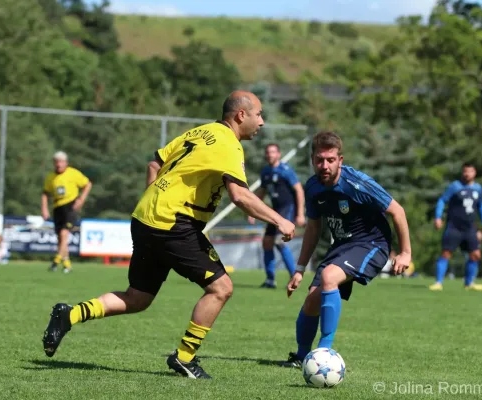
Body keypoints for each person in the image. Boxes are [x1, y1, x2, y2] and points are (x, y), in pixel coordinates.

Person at [42, 91, 296, 379]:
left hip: (145, 217)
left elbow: (154, 164)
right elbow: (239, 195)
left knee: (137, 297)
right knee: (221, 288)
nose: (261, 122)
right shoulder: (229, 145)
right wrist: (280, 221)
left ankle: (69, 314)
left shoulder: (201, 132)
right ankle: (185, 358)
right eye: (259, 114)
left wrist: (156, 196)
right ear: (241, 115)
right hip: (174, 223)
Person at [281, 131, 411, 367]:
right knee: (312, 300)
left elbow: (397, 211)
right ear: (312, 160)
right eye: (320, 160)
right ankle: (301, 357)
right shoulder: (312, 188)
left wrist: (405, 253)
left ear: (340, 160)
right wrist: (299, 268)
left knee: (330, 276)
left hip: (372, 243)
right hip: (342, 245)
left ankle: (324, 354)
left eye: (330, 160)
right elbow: (313, 228)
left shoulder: (357, 184)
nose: (325, 165)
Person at [248, 144, 305, 288]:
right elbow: (262, 191)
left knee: (279, 241)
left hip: (287, 209)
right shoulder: (266, 172)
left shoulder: (285, 170)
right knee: (267, 242)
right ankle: (270, 280)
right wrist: (252, 211)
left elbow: (299, 190)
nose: (270, 154)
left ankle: (294, 276)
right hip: (275, 211)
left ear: (278, 154)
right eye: (268, 152)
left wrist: (300, 214)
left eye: (273, 152)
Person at [429, 162, 482, 291]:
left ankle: (469, 283)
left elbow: (481, 206)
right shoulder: (455, 186)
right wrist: (438, 217)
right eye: (465, 171)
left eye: (470, 171)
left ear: (475, 173)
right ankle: (438, 282)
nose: (467, 174)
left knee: (476, 255)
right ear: (462, 172)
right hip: (454, 227)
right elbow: (442, 200)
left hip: (470, 228)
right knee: (446, 253)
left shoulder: (478, 188)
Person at [42, 151, 92, 273]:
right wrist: (44, 208)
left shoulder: (73, 173)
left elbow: (87, 184)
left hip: (70, 206)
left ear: (66, 162)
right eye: (56, 162)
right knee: (60, 237)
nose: (58, 164)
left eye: (61, 162)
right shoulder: (51, 177)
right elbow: (45, 193)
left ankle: (56, 260)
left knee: (64, 233)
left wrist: (81, 199)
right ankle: (67, 264)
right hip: (57, 207)